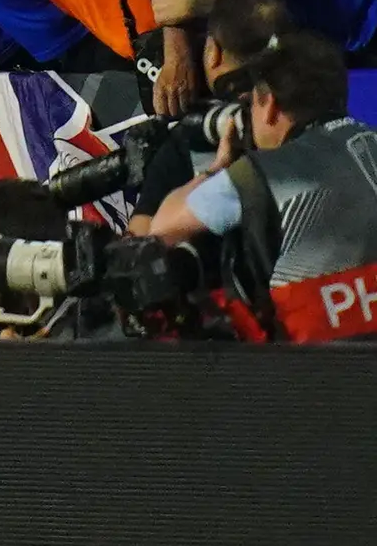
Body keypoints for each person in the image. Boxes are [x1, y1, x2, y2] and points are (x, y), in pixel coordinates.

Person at [138, 28, 377, 338]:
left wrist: (218, 167)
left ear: (271, 106)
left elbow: (163, 227)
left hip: (318, 374)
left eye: (251, 104)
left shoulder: (267, 174)